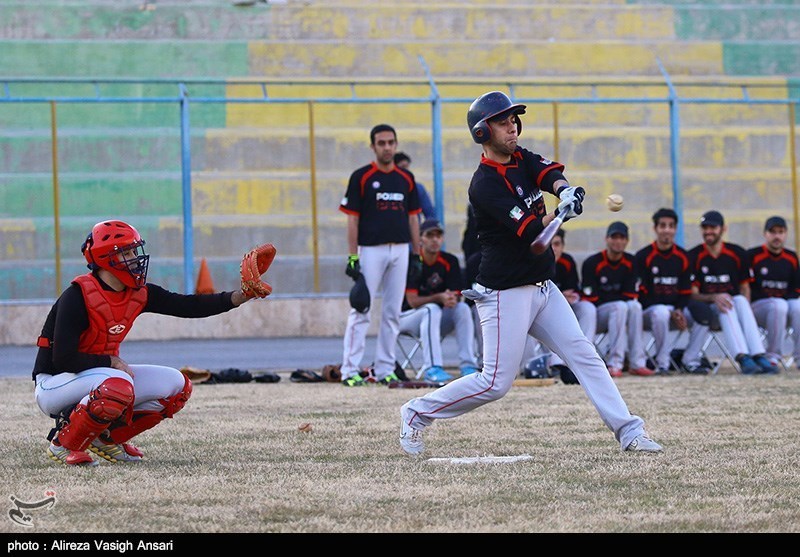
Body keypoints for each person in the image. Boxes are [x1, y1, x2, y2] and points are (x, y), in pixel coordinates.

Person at [399, 90, 662, 456]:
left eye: (513, 120)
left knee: (583, 354)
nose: (512, 128)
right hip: (505, 291)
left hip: (541, 287)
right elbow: (531, 232)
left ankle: (630, 432)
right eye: (503, 122)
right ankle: (416, 412)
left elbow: (548, 172)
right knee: (495, 383)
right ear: (482, 132)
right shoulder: (484, 185)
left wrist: (565, 191)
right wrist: (559, 215)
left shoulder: (519, 156)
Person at [33, 220, 263, 466]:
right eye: (127, 253)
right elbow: (63, 359)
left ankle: (105, 439)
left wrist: (240, 297)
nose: (135, 258)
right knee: (118, 383)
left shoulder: (139, 292)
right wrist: (110, 361)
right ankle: (63, 445)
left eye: (135, 251)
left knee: (177, 386)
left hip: (98, 380)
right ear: (106, 258)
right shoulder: (77, 296)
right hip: (54, 383)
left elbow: (188, 305)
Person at [339, 124, 422, 386]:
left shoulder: (406, 179)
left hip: (400, 250)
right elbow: (352, 220)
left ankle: (385, 367)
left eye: (390, 142)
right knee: (361, 308)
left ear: (396, 145)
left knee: (392, 313)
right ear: (373, 146)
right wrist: (353, 257)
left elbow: (413, 219)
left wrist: (416, 254)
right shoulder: (361, 177)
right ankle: (349, 370)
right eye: (381, 143)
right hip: (370, 250)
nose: (387, 147)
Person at [686, 210, 777, 374]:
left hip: (734, 311)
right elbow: (692, 293)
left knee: (740, 301)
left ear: (723, 229)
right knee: (725, 303)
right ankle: (742, 357)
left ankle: (758, 354)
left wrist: (744, 312)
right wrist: (714, 297)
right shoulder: (694, 255)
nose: (708, 231)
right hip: (708, 312)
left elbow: (745, 288)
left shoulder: (736, 253)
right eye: (705, 227)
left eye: (712, 227)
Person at [399, 219, 479, 382]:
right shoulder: (413, 262)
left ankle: (468, 365)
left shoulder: (450, 261)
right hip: (407, 317)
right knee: (431, 309)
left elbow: (456, 294)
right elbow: (412, 301)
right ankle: (432, 368)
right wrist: (439, 298)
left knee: (462, 309)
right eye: (430, 235)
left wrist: (451, 299)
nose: (435, 240)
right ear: (421, 239)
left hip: (435, 319)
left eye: (438, 235)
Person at [634, 208, 711, 375]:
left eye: (670, 226)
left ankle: (690, 360)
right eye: (662, 226)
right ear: (655, 229)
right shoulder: (643, 256)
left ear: (675, 229)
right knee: (661, 312)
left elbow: (685, 291)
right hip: (650, 312)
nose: (666, 230)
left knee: (703, 314)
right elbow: (641, 296)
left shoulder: (683, 257)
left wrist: (678, 309)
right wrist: (671, 311)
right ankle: (662, 364)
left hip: (676, 311)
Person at [581, 221, 653, 377]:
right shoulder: (592, 263)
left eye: (622, 238)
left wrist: (611, 298)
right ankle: (615, 363)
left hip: (620, 312)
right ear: (607, 239)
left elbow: (631, 296)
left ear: (627, 241)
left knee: (635, 307)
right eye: (614, 237)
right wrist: (616, 299)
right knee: (620, 306)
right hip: (598, 316)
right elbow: (591, 298)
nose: (618, 241)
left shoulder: (631, 262)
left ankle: (637, 363)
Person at [747, 215, 800, 368]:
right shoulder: (753, 255)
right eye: (773, 232)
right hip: (758, 309)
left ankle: (799, 357)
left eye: (781, 232)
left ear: (785, 234)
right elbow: (748, 288)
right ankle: (772, 357)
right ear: (765, 234)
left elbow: (796, 288)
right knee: (778, 305)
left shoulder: (791, 257)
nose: (777, 236)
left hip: (782, 309)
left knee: (797, 306)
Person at [545, 228, 597, 381]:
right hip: (539, 312)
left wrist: (562, 297)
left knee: (588, 309)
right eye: (550, 244)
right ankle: (556, 364)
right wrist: (560, 296)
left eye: (557, 244)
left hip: (565, 309)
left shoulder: (567, 262)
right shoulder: (536, 261)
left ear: (562, 246)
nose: (553, 248)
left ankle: (585, 358)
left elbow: (573, 293)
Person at [394, 152, 436, 220]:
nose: (406, 170)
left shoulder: (418, 189)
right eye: (402, 167)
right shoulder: (388, 188)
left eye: (407, 166)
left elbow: (430, 213)